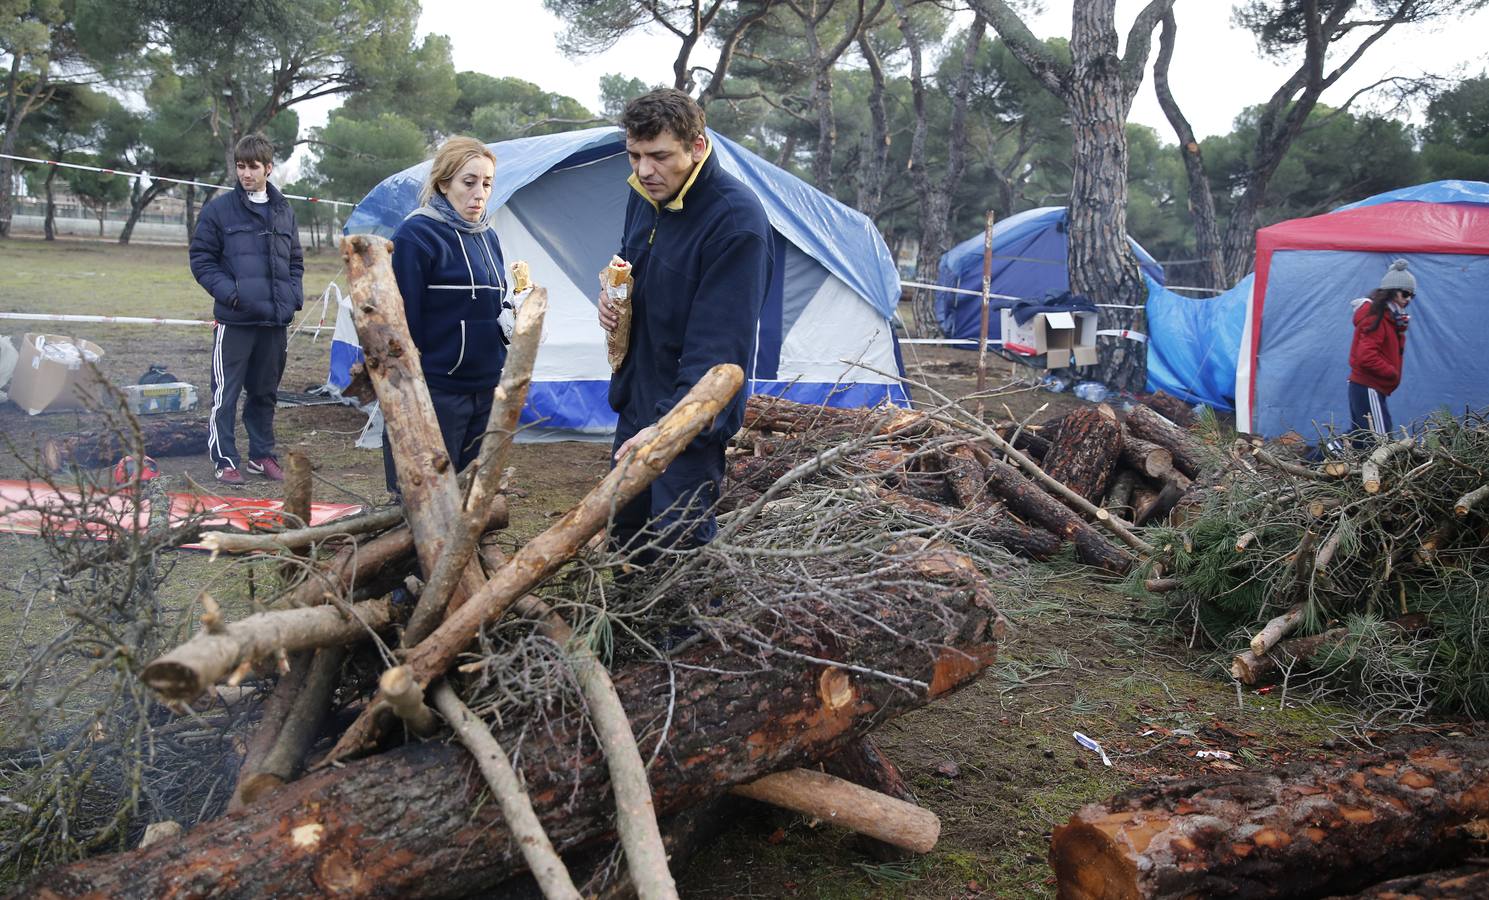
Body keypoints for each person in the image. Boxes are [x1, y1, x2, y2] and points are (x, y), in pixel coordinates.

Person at [597, 89, 773, 561]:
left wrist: (669, 427)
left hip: (689, 421)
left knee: (679, 555)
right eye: (634, 155)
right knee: (626, 541)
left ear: (696, 148)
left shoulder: (736, 222)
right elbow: (629, 265)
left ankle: (689, 637)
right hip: (638, 401)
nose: (643, 170)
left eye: (659, 156)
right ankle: (630, 634)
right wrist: (614, 302)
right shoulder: (645, 196)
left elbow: (718, 354)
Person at [383, 136, 509, 496]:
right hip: (438, 391)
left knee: (472, 492)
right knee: (429, 494)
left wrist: (512, 320)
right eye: (469, 182)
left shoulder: (488, 237)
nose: (480, 193)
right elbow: (402, 322)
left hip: (485, 388)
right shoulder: (417, 235)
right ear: (443, 183)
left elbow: (491, 304)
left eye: (487, 183)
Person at [190, 133, 303, 485]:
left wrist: (293, 297)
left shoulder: (284, 210)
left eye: (253, 166)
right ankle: (224, 459)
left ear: (268, 168)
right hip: (235, 319)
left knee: (265, 393)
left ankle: (261, 455)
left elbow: (295, 261)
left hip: (274, 321)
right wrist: (232, 295)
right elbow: (201, 259)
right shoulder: (219, 210)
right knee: (225, 393)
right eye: (240, 166)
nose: (246, 173)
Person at [1347, 258, 1414, 446]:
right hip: (1368, 385)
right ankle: (1312, 461)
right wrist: (1390, 372)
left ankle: (1311, 461)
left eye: (1412, 295)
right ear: (1392, 293)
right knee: (1380, 439)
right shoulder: (1377, 317)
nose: (1408, 299)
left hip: (1371, 387)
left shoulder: (1391, 318)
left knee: (1360, 437)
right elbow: (1366, 356)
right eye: (1405, 293)